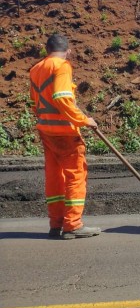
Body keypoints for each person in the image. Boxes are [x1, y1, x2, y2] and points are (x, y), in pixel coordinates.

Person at [29, 34, 100, 240]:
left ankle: (56, 224)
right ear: (67, 51)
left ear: (46, 50)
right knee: (75, 176)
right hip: (65, 133)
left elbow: (35, 104)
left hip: (47, 131)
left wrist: (47, 120)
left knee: (55, 177)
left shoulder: (36, 69)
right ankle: (73, 225)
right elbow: (62, 98)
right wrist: (84, 120)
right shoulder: (62, 66)